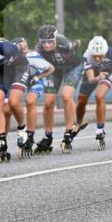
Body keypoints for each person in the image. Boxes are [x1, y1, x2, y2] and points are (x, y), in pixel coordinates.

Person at [33, 24, 83, 154]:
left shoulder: (64, 44)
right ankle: (47, 136)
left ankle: (68, 132)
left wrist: (76, 44)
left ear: (55, 39)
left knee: (66, 96)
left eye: (50, 42)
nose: (47, 45)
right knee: (48, 102)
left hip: (72, 68)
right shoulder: (39, 48)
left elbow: (78, 42)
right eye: (44, 42)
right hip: (55, 70)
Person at [3, 38, 55, 156]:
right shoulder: (11, 57)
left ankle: (30, 135)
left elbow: (51, 68)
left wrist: (39, 77)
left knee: (30, 101)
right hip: (19, 80)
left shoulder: (33, 56)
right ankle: (2, 140)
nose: (25, 51)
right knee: (6, 108)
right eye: (22, 49)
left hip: (34, 81)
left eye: (26, 48)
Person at [0, 30, 27, 163]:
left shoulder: (5, 47)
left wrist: (23, 47)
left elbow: (22, 47)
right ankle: (1, 139)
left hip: (19, 68)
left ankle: (22, 127)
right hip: (2, 72)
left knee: (13, 102)